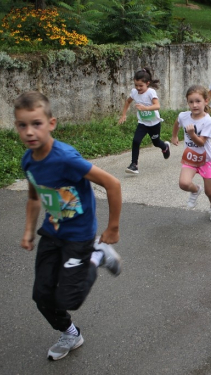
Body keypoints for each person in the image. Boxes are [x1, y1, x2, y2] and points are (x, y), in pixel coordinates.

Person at [14, 91, 122, 361]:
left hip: (80, 235)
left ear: (51, 123)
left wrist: (113, 228)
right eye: (22, 125)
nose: (29, 132)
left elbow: (112, 183)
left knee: (69, 298)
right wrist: (29, 231)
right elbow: (33, 196)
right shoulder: (29, 160)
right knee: (42, 295)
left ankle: (98, 255)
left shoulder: (65, 158)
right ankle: (71, 333)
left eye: (36, 123)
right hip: (53, 232)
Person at [172, 85, 211, 222]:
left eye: (198, 101)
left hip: (206, 159)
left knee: (209, 191)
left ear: (206, 101)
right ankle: (195, 190)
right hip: (191, 158)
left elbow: (200, 142)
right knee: (184, 183)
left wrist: (191, 134)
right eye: (191, 102)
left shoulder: (208, 121)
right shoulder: (184, 116)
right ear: (187, 102)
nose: (194, 105)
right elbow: (177, 123)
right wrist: (174, 136)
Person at [118, 67, 170, 174]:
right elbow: (128, 102)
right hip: (142, 123)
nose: (138, 88)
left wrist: (145, 108)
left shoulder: (151, 92)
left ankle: (165, 147)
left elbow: (157, 106)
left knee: (156, 143)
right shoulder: (134, 92)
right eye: (136, 85)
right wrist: (123, 115)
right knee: (136, 141)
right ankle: (134, 165)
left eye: (141, 86)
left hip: (154, 123)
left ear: (147, 83)